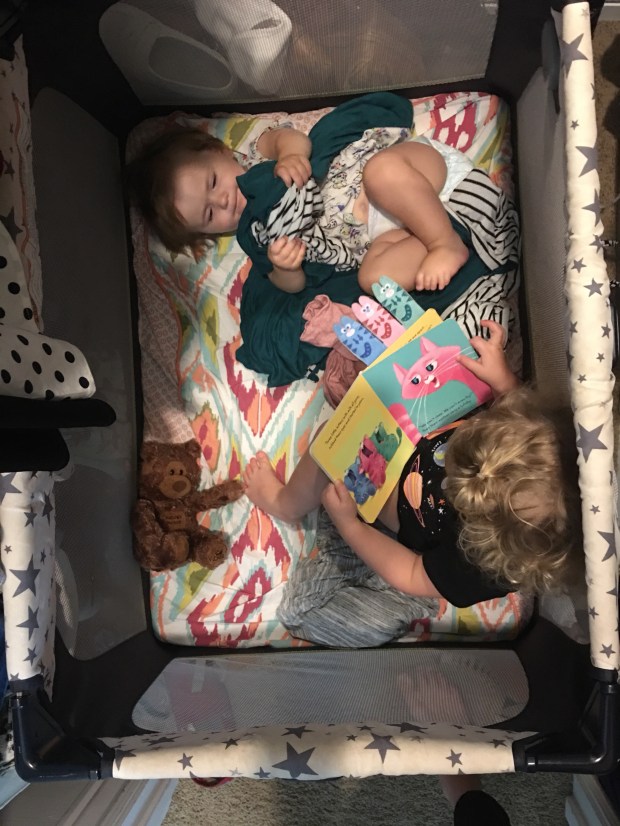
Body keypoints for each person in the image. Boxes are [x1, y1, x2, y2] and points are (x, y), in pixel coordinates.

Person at [242, 319, 581, 608]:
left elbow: (412, 573)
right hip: (424, 434)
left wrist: (350, 526)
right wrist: (504, 384)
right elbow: (525, 423)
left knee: (329, 444)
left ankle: (285, 504)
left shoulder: (489, 569)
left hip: (400, 502)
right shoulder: (549, 443)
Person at [125, 114, 507, 297]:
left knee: (381, 174)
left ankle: (444, 243)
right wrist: (284, 266)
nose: (223, 200)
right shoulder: (259, 238)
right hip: (394, 232)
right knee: (372, 279)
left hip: (414, 175)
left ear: (218, 151)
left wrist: (290, 155)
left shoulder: (257, 153)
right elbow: (291, 286)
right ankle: (457, 240)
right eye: (209, 215)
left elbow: (288, 138)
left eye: (213, 183)